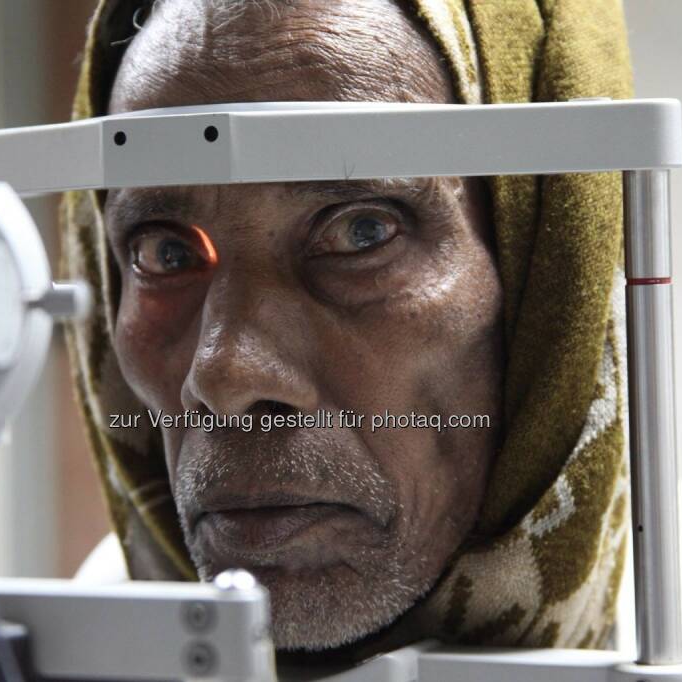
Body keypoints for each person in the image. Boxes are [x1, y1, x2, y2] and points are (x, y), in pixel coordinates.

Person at [62, 0, 633, 661]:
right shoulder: (62, 647)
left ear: (547, 285)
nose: (227, 377)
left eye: (361, 231)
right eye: (166, 253)